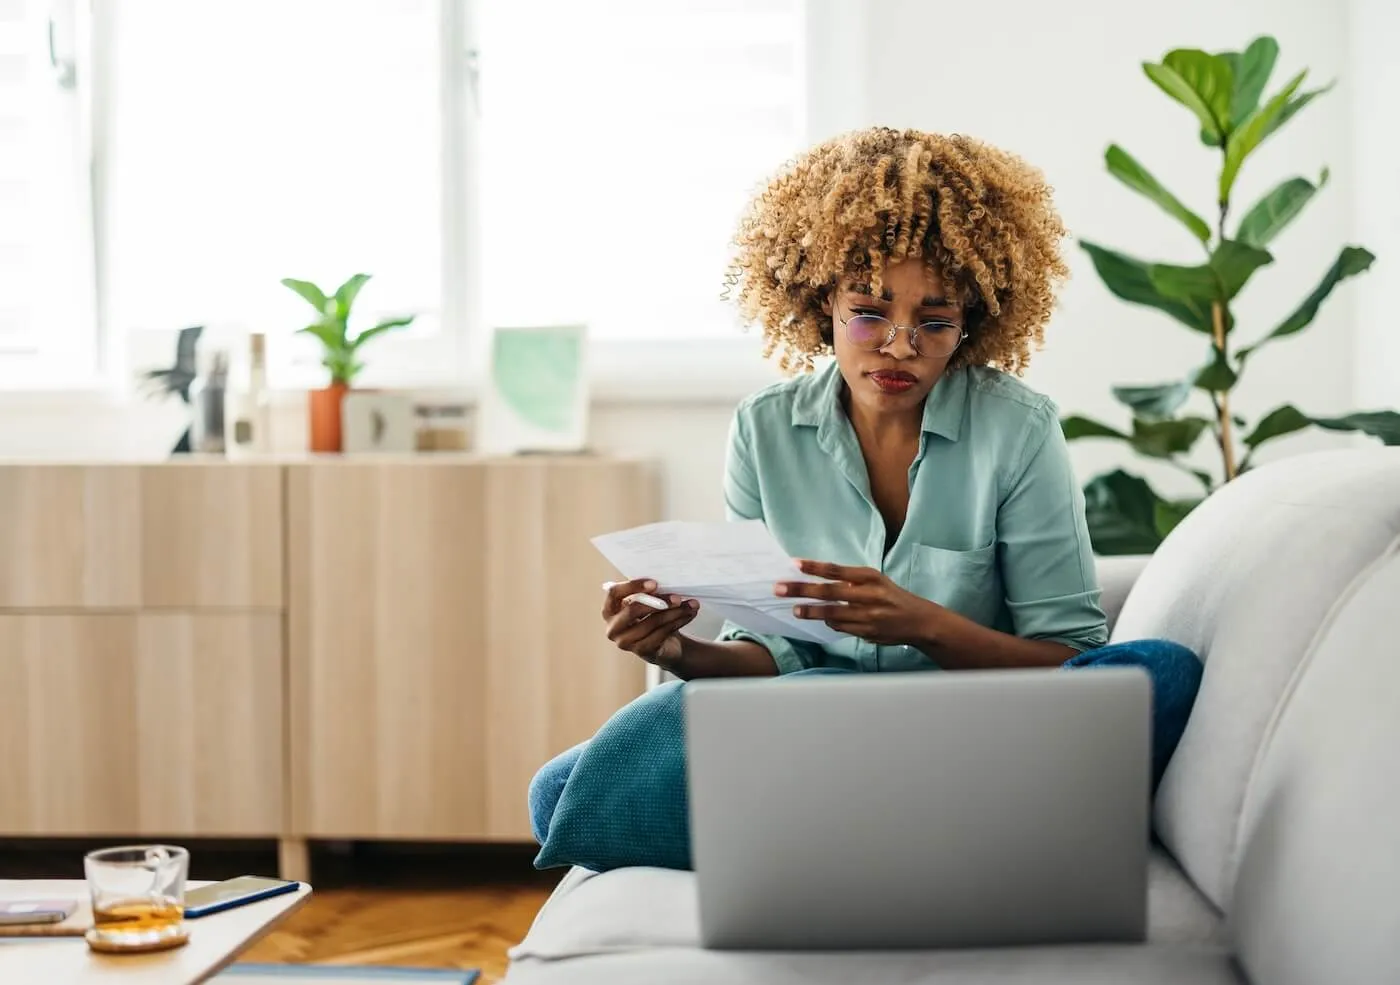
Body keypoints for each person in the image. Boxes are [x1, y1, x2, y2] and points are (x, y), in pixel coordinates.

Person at [531, 127, 1202, 844]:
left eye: (935, 322)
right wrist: (676, 653)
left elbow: (1069, 658)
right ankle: (928, 829)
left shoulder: (1018, 429)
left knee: (1158, 671)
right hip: (816, 724)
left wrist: (921, 623)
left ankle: (846, 827)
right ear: (824, 302)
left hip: (966, 726)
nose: (900, 346)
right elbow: (768, 650)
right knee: (558, 793)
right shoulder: (764, 428)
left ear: (971, 324)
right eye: (871, 312)